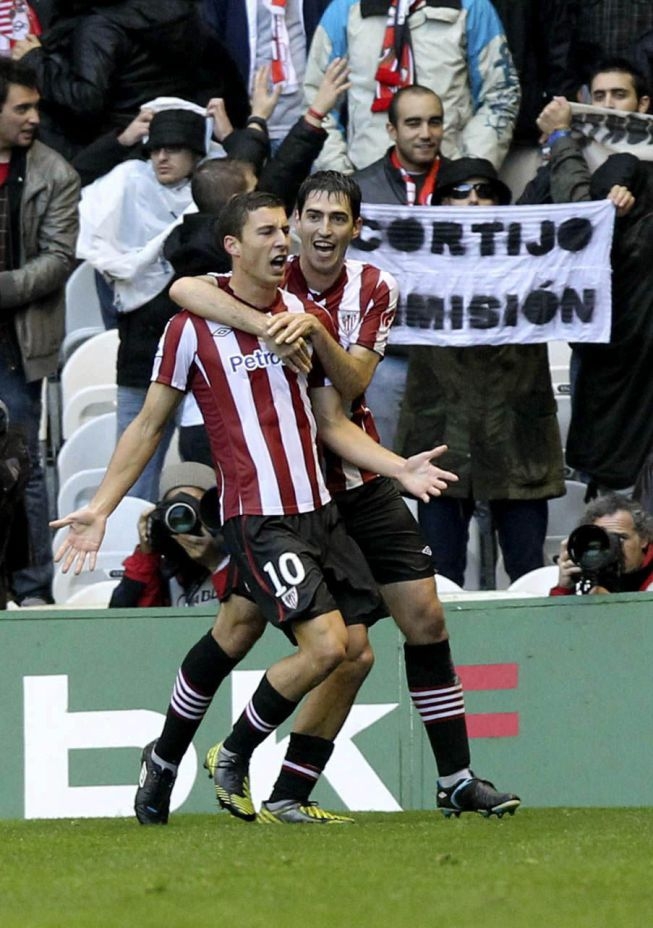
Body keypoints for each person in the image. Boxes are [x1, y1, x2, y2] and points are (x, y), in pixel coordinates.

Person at [52, 190, 458, 824]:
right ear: (233, 248)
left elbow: (332, 420)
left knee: (270, 638)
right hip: (258, 517)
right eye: (267, 232)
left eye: (282, 231)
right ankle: (232, 753)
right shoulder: (190, 328)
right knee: (326, 648)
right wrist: (103, 507)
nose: (282, 242)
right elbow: (149, 424)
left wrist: (397, 466)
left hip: (321, 512)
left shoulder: (300, 313)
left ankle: (178, 761)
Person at [168, 172, 520, 824]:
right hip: (283, 498)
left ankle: (452, 779)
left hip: (358, 478)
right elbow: (184, 289)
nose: (322, 231)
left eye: (338, 218)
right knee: (248, 633)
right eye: (312, 217)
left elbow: (351, 386)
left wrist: (310, 331)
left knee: (421, 621)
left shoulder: (373, 286)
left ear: (356, 227)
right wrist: (267, 324)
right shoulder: (265, 272)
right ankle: (168, 760)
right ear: (294, 223)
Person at [396, 156, 566, 588]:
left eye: (485, 192)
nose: (473, 200)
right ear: (440, 205)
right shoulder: (412, 262)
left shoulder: (535, 258)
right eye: (460, 192)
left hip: (518, 439)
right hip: (441, 441)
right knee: (440, 577)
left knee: (530, 572)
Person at [76, 106, 208, 501]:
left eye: (174, 148)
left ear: (196, 154)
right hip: (139, 358)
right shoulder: (125, 185)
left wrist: (239, 130)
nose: (162, 157)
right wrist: (123, 139)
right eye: (155, 149)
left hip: (200, 363)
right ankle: (135, 544)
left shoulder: (212, 203)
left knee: (204, 477)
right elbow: (73, 176)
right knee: (131, 483)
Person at [0, 57, 80, 606]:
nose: (34, 118)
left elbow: (57, 259)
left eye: (36, 107)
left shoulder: (56, 173)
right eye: (22, 108)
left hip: (17, 343)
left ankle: (31, 590)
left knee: (21, 467)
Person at [10, 0, 249, 161]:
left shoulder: (99, 27)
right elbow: (224, 72)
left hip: (118, 147)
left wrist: (35, 61)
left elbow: (86, 99)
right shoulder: (180, 11)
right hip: (182, 142)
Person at [303, 0, 520, 175]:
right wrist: (341, 177)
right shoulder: (345, 8)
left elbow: (500, 95)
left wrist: (470, 171)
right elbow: (316, 100)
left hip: (449, 183)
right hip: (366, 181)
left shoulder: (472, 7)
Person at [350, 84, 446, 446]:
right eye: (414, 123)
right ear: (392, 129)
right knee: (383, 460)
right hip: (385, 357)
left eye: (434, 122)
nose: (426, 133)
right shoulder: (358, 190)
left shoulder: (467, 186)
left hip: (448, 356)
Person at [108, 462, 227, 609]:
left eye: (196, 504)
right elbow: (121, 616)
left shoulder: (236, 561)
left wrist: (216, 563)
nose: (186, 515)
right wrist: (146, 555)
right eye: (178, 507)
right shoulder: (162, 568)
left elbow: (245, 609)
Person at [550, 493, 653, 595]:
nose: (612, 547)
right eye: (603, 540)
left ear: (643, 539)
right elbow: (557, 606)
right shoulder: (590, 568)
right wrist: (564, 589)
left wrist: (610, 603)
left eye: (620, 538)